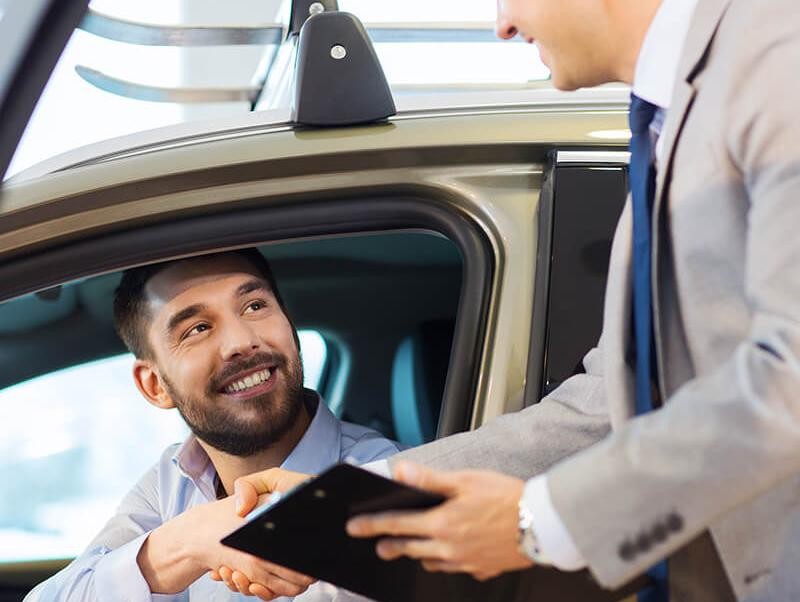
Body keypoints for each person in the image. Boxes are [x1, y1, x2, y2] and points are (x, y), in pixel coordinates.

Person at [233, 0, 800, 600]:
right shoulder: (674, 115)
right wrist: (355, 498)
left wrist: (535, 519)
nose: (502, 24)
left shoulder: (775, 55)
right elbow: (614, 401)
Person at [28, 249, 400, 601]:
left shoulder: (383, 474)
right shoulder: (171, 481)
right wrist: (186, 542)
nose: (241, 341)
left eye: (254, 306)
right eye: (198, 328)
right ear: (155, 386)